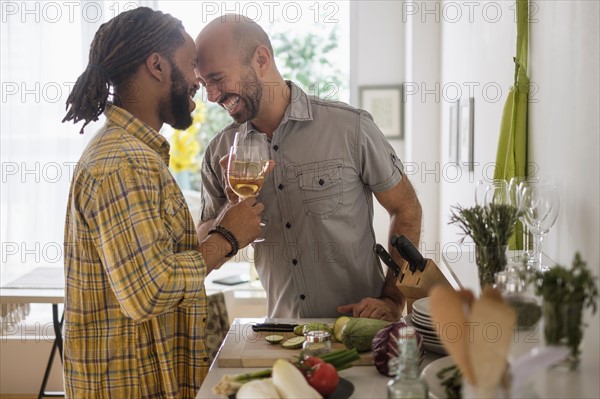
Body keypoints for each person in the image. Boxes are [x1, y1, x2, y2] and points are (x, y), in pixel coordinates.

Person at [61, 7, 263, 398]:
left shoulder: (135, 154)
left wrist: (224, 219)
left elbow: (160, 264)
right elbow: (149, 292)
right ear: (156, 65)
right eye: (191, 68)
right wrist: (227, 236)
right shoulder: (122, 163)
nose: (199, 86)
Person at [195, 14, 423, 322]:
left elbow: (407, 207)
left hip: (362, 333)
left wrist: (393, 299)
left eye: (217, 79)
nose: (210, 96)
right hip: (281, 335)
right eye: (203, 84)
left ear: (261, 59)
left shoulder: (350, 128)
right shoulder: (219, 152)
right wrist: (230, 214)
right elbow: (204, 246)